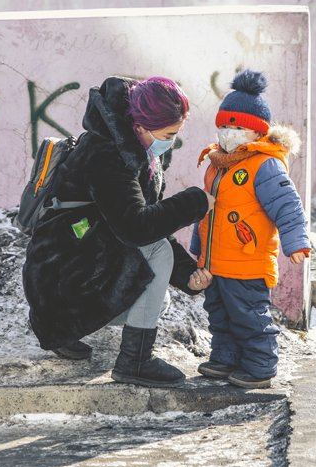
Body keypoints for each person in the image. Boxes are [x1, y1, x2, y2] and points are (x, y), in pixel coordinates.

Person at [22, 76, 214, 387]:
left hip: (64, 266)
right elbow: (137, 228)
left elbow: (151, 222)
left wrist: (187, 274)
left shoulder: (135, 150)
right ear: (141, 126)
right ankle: (134, 361)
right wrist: (194, 202)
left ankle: (58, 324)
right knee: (156, 261)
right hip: (59, 277)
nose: (172, 142)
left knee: (158, 297)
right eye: (169, 134)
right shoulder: (108, 154)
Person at [189, 70, 310, 390]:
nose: (228, 133)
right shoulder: (218, 162)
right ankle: (226, 357)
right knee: (219, 313)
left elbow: (288, 204)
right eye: (224, 126)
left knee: (248, 317)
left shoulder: (265, 164)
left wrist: (295, 241)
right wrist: (197, 247)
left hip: (247, 259)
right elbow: (207, 211)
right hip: (215, 259)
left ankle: (259, 365)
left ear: (256, 132)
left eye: (237, 127)